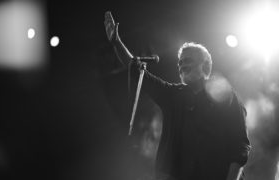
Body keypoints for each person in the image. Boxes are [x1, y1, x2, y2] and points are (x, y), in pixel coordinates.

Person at [104, 11, 251, 180]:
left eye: (187, 60)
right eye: (180, 62)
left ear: (205, 65)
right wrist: (117, 43)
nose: (181, 65)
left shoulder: (225, 95)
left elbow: (240, 146)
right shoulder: (174, 96)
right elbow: (138, 73)